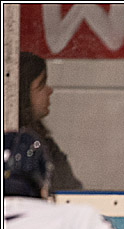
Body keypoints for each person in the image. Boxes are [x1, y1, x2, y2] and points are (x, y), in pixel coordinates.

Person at [19, 51, 82, 191]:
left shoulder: (45, 145)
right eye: (42, 85)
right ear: (23, 92)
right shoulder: (24, 146)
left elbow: (72, 192)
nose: (50, 90)